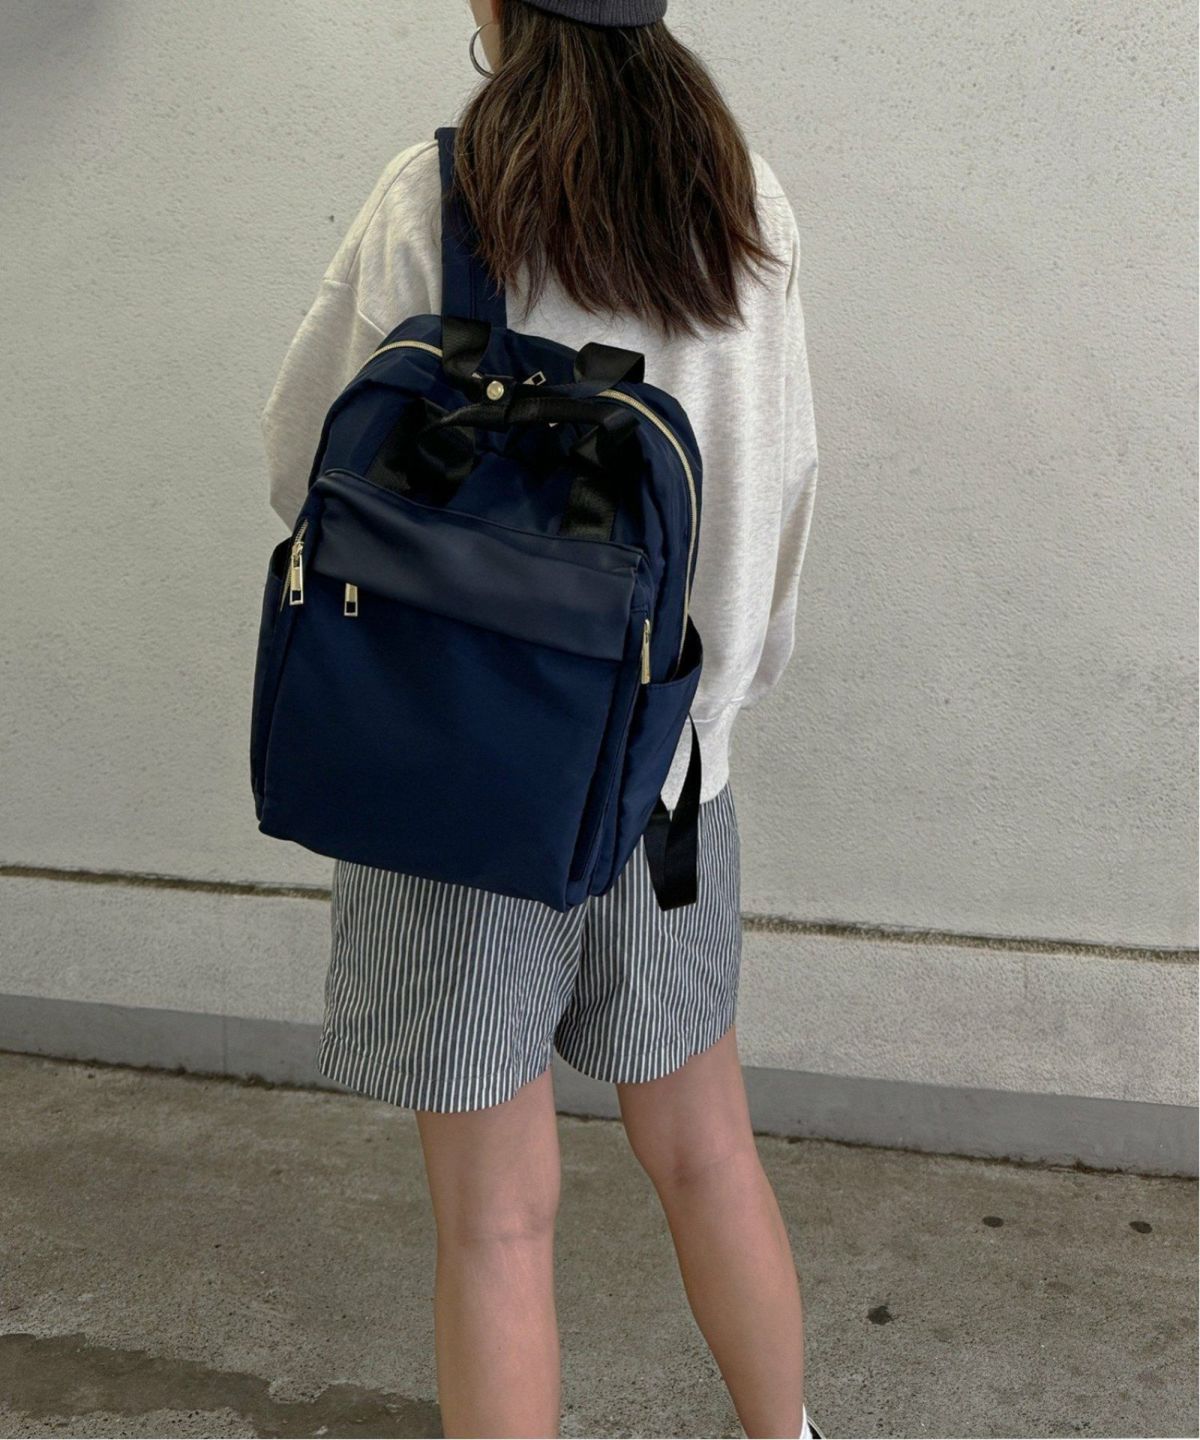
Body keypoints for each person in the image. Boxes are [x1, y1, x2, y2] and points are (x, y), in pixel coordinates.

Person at [259, 1, 821, 1435]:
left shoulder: (439, 197)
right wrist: (714, 716)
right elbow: (777, 491)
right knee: (706, 1155)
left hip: (451, 779)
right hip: (670, 781)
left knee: (497, 1222)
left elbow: (303, 464)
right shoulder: (737, 203)